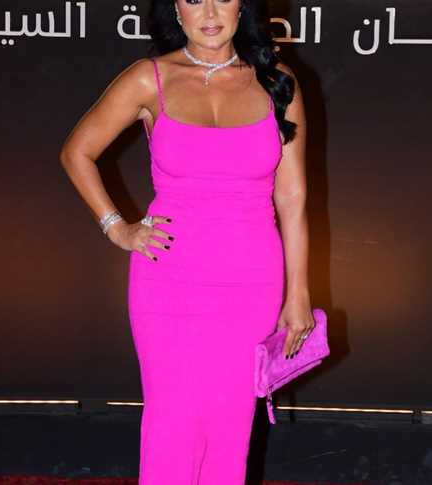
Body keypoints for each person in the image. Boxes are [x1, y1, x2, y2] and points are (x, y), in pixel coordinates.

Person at [59, 0, 314, 483]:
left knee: (230, 424)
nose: (210, 12)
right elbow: (77, 152)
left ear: (243, 6)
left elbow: (293, 196)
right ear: (176, 9)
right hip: (168, 281)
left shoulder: (276, 81)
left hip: (251, 283)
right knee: (171, 422)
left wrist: (298, 291)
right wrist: (117, 226)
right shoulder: (149, 79)